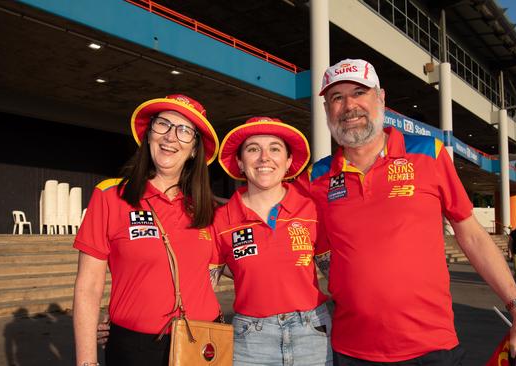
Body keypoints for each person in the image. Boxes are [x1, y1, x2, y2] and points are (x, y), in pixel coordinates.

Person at [298, 58, 516, 364]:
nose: (349, 105)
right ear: (327, 110)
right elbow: (309, 243)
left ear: (381, 97)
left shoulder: (429, 153)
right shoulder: (316, 177)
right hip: (350, 352)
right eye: (336, 97)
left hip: (432, 349)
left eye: (359, 92)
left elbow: (472, 236)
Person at [73, 94, 222, 366]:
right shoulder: (110, 196)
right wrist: (86, 361)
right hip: (133, 348)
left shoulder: (210, 209)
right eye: (163, 124)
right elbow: (88, 287)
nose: (170, 137)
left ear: (194, 150)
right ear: (149, 135)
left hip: (201, 344)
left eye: (185, 130)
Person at [212, 117, 332, 365]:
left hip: (313, 334)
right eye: (253, 149)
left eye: (275, 148)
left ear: (288, 162)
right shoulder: (220, 220)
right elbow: (202, 285)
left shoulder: (312, 211)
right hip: (250, 342)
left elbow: (339, 276)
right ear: (240, 163)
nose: (264, 157)